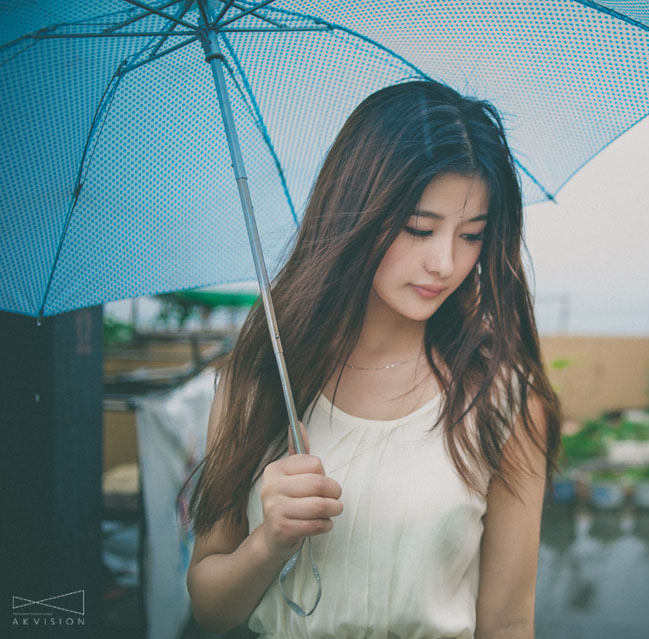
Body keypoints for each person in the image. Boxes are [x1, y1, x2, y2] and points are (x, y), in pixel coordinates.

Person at [181, 79, 562, 639]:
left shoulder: (502, 402)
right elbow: (209, 608)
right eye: (419, 228)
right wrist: (269, 542)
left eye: (472, 235)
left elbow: (507, 621)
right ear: (355, 211)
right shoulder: (261, 382)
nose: (445, 262)